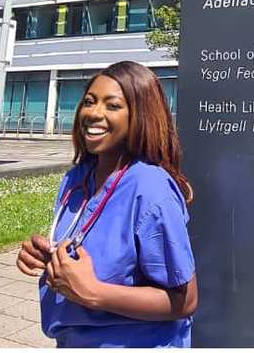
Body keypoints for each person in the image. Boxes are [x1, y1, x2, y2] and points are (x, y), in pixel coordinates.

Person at [16, 61, 197, 348]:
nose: (94, 113)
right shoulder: (76, 178)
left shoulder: (150, 189)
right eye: (89, 101)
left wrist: (93, 292)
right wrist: (49, 259)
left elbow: (185, 300)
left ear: (140, 116)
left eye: (112, 106)